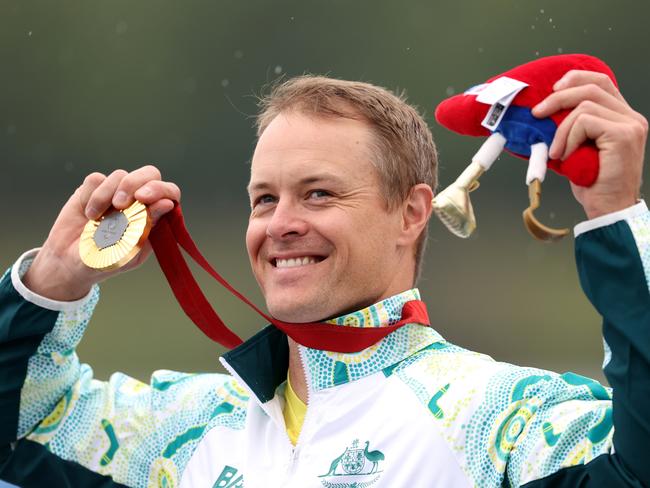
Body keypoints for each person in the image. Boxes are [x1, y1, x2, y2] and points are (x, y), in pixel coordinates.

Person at [0, 71, 648, 488]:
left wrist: (616, 214)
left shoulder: (493, 421)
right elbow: (21, 433)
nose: (280, 224)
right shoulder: (181, 432)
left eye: (317, 194)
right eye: (263, 199)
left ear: (412, 213)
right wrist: (52, 282)